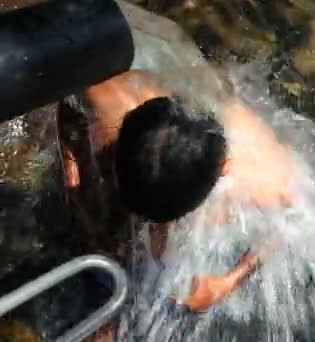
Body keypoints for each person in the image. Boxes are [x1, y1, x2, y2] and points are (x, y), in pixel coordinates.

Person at [58, 69, 296, 314]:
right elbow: (66, 109)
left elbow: (291, 214)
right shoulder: (106, 96)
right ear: (225, 168)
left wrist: (232, 278)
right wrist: (229, 281)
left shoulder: (263, 175)